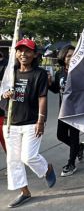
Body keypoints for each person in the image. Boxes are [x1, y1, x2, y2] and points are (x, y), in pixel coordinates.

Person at [2, 39, 56, 208]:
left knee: (28, 157)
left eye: (27, 51)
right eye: (20, 51)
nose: (23, 54)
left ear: (34, 54)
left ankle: (46, 169)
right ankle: (24, 191)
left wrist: (41, 120)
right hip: (10, 122)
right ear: (15, 53)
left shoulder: (39, 74)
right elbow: (2, 90)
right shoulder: (10, 72)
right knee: (13, 160)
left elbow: (42, 97)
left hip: (32, 122)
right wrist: (5, 94)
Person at [48, 44, 84, 177]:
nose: (72, 58)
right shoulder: (60, 73)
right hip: (63, 110)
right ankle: (79, 148)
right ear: (63, 57)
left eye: (74, 55)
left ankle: (71, 163)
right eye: (69, 55)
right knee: (61, 135)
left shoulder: (82, 71)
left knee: (74, 137)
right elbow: (56, 90)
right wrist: (49, 83)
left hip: (77, 110)